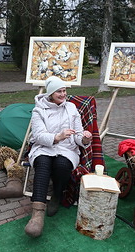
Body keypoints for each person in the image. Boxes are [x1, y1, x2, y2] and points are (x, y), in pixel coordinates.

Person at [25, 76, 92, 238]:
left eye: (64, 91)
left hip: (67, 148)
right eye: (59, 92)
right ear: (50, 93)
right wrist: (58, 136)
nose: (63, 94)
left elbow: (76, 136)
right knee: (42, 163)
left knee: (62, 165)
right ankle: (37, 215)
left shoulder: (71, 108)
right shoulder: (39, 110)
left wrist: (84, 139)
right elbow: (39, 136)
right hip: (44, 147)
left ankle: (57, 194)